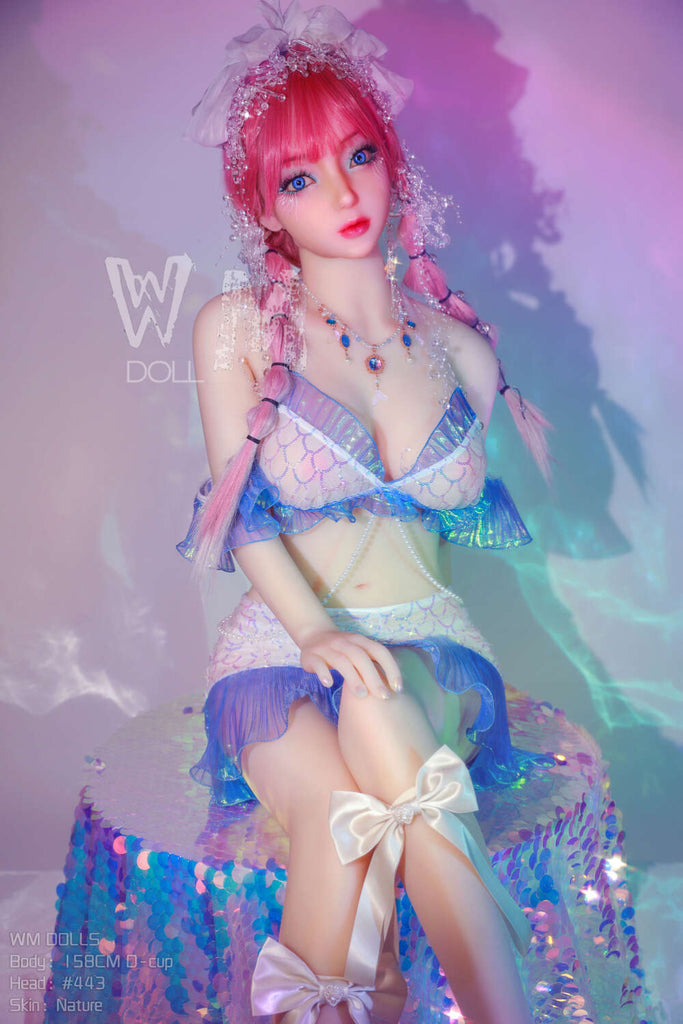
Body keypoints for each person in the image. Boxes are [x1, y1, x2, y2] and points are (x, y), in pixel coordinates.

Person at [178, 3, 551, 1022]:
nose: (343, 194)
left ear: (393, 160)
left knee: (384, 719)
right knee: (340, 813)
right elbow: (242, 514)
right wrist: (312, 631)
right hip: (279, 649)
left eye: (358, 155)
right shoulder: (235, 330)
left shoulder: (461, 350)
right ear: (264, 205)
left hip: (429, 642)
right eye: (299, 178)